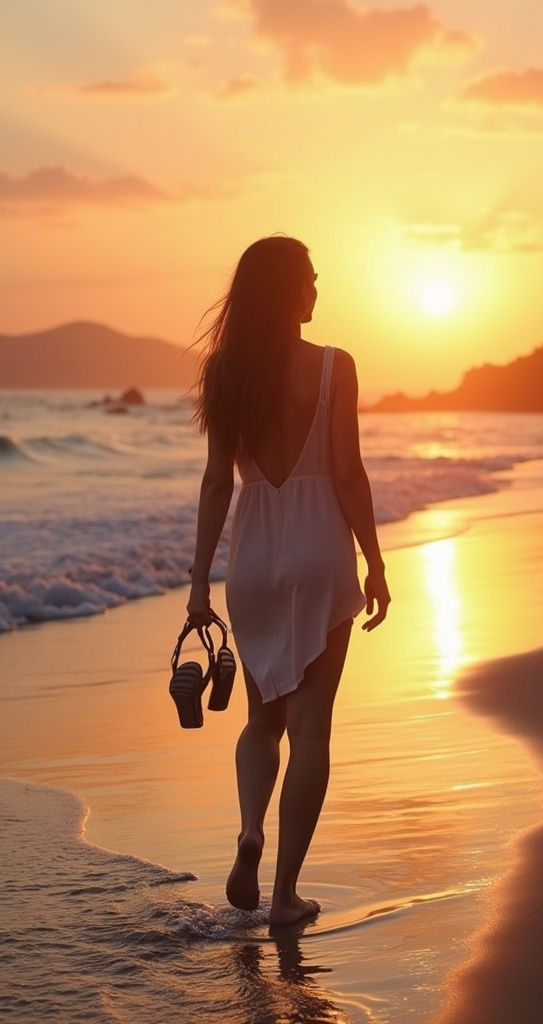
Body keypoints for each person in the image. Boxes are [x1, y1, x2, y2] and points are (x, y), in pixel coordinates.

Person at [186, 235, 391, 926]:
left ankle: (249, 829)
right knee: (311, 729)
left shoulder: (225, 372)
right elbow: (346, 474)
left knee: (260, 718)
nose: (315, 290)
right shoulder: (334, 366)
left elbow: (217, 483)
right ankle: (282, 896)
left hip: (251, 556)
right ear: (286, 289)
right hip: (317, 548)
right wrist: (376, 561)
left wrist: (196, 585)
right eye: (307, 278)